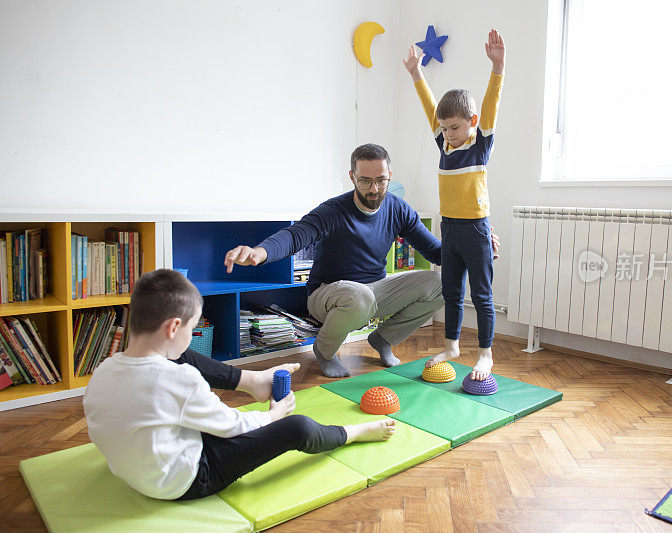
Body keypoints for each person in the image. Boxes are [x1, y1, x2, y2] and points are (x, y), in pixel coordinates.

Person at [83, 269, 395, 501]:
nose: (192, 336)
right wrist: (274, 415)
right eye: (193, 328)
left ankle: (254, 380)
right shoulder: (179, 381)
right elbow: (234, 426)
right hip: (185, 481)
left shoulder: (103, 370)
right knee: (297, 427)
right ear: (174, 326)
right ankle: (352, 434)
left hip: (133, 469)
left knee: (179, 356)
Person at [224, 143, 445, 378]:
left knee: (443, 284)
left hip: (373, 294)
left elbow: (436, 253)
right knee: (360, 296)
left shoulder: (398, 209)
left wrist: (476, 248)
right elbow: (295, 235)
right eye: (365, 181)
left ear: (390, 175)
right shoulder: (333, 210)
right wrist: (261, 252)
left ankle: (383, 339)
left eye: (381, 180)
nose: (374, 189)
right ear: (352, 177)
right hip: (327, 294)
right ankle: (325, 350)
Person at [403, 29, 505, 381]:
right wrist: (417, 73)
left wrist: (498, 67)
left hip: (476, 230)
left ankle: (486, 354)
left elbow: (491, 104)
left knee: (482, 295)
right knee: (451, 293)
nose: (448, 133)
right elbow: (430, 108)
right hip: (450, 230)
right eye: (444, 128)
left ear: (472, 123)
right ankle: (451, 346)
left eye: (455, 128)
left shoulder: (479, 146)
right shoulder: (445, 146)